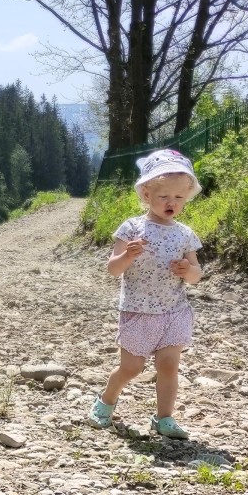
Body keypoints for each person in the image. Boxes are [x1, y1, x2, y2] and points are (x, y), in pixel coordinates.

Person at [88, 149, 204, 439]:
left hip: (173, 311)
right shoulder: (132, 228)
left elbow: (197, 275)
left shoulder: (185, 234)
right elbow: (113, 269)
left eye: (179, 198)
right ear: (146, 194)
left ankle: (164, 418)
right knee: (132, 366)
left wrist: (186, 269)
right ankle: (106, 400)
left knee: (168, 365)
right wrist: (127, 255)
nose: (171, 203)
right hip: (139, 310)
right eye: (164, 196)